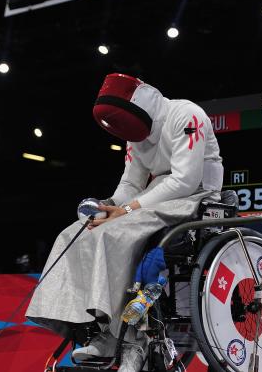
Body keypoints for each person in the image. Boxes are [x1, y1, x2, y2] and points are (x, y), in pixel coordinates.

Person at [25, 73, 223, 372]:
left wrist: (128, 210)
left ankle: (131, 340)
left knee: (115, 235)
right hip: (154, 197)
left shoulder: (187, 114)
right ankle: (96, 330)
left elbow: (185, 180)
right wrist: (111, 208)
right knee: (76, 233)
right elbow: (131, 182)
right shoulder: (136, 136)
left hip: (195, 197)